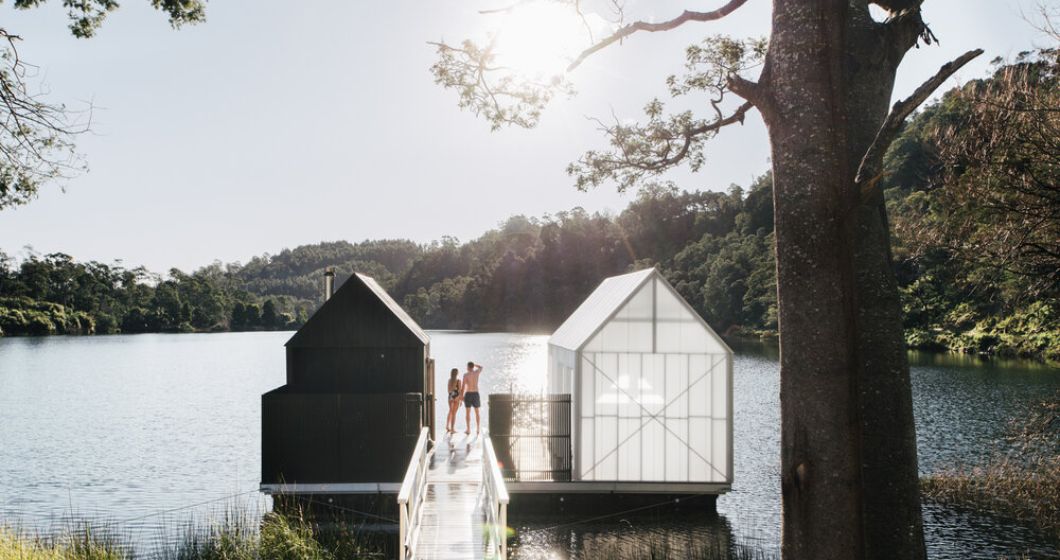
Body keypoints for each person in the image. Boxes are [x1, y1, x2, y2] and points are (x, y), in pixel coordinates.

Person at [462, 361, 483, 435]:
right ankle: (478, 429)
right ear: (473, 366)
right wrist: (475, 365)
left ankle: (468, 429)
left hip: (468, 394)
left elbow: (463, 386)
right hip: (475, 394)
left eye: (467, 366)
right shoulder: (476, 372)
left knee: (468, 413)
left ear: (468, 367)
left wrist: (461, 396)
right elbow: (481, 367)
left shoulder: (466, 375)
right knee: (477, 412)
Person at [445, 368, 462, 434]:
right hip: (456, 397)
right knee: (454, 413)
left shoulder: (449, 380)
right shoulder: (458, 381)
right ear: (457, 373)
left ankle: (447, 426)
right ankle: (452, 429)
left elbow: (448, 390)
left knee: (450, 411)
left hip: (450, 396)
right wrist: (460, 400)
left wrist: (452, 392)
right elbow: (460, 391)